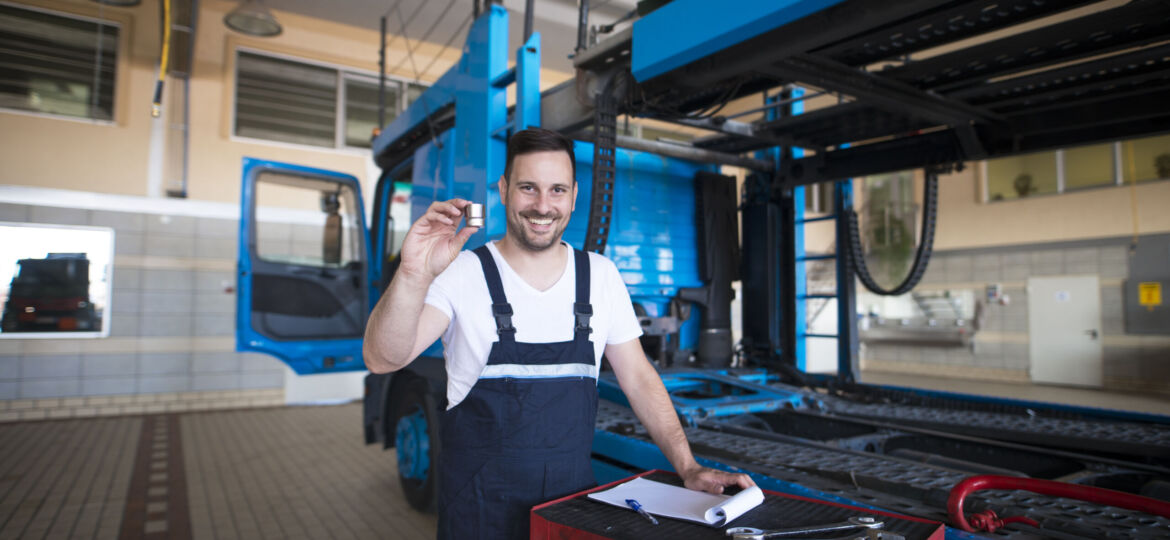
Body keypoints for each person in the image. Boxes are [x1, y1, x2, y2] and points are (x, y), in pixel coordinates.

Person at [364, 128, 754, 539]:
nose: (543, 206)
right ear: (504, 189)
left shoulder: (600, 276)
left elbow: (639, 377)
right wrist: (412, 273)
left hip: (569, 515)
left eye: (557, 190)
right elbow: (382, 358)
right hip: (479, 516)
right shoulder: (463, 272)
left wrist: (687, 466)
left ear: (574, 195)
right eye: (528, 188)